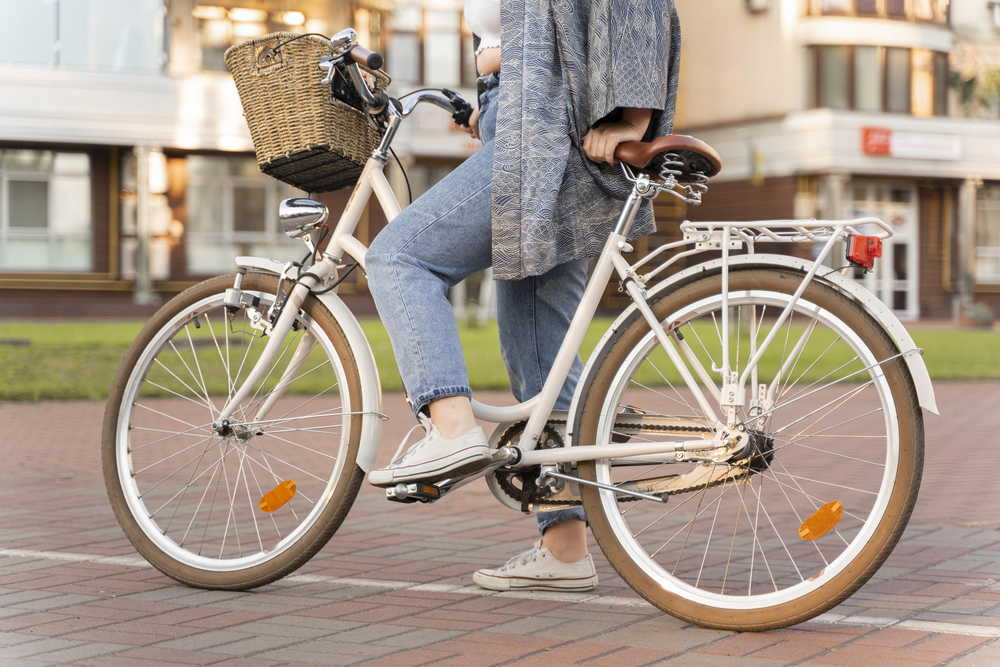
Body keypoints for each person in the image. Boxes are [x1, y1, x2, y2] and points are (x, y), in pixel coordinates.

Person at [365, 0, 680, 591]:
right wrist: (489, 99)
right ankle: (564, 550)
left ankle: (451, 428)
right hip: (523, 112)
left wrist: (634, 118)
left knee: (399, 255)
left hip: (548, 126)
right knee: (540, 347)